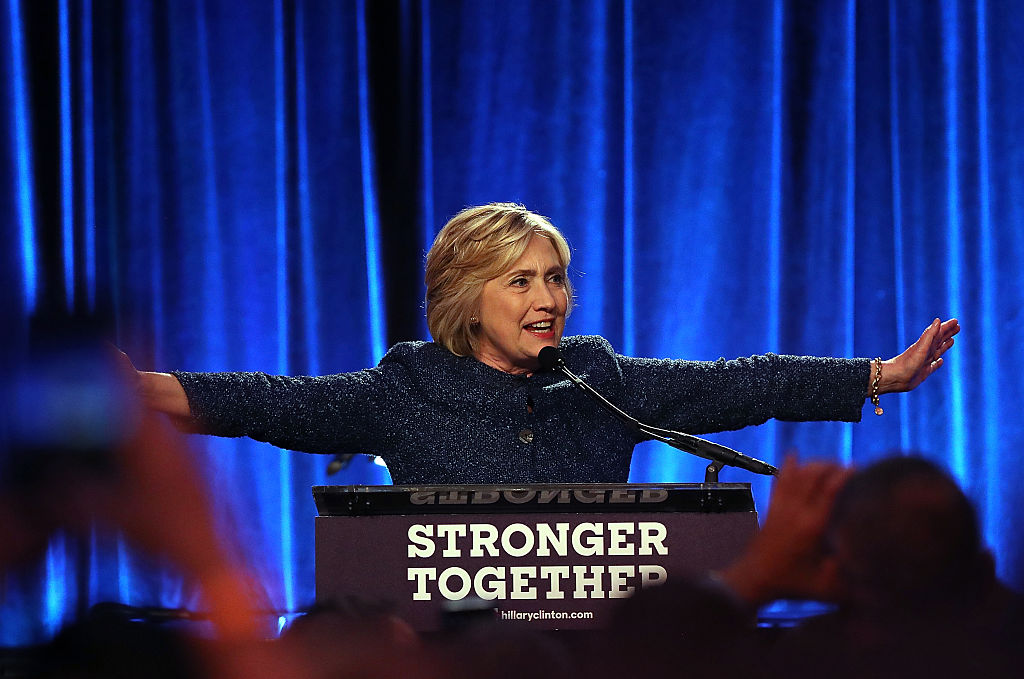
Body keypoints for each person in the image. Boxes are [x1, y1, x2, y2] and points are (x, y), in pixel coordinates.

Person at [128, 203, 959, 484]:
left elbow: (743, 382)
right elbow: (268, 400)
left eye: (555, 276)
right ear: (466, 296)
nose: (549, 298)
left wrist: (882, 372)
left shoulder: (595, 376)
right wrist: (145, 390)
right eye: (520, 281)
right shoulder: (407, 387)